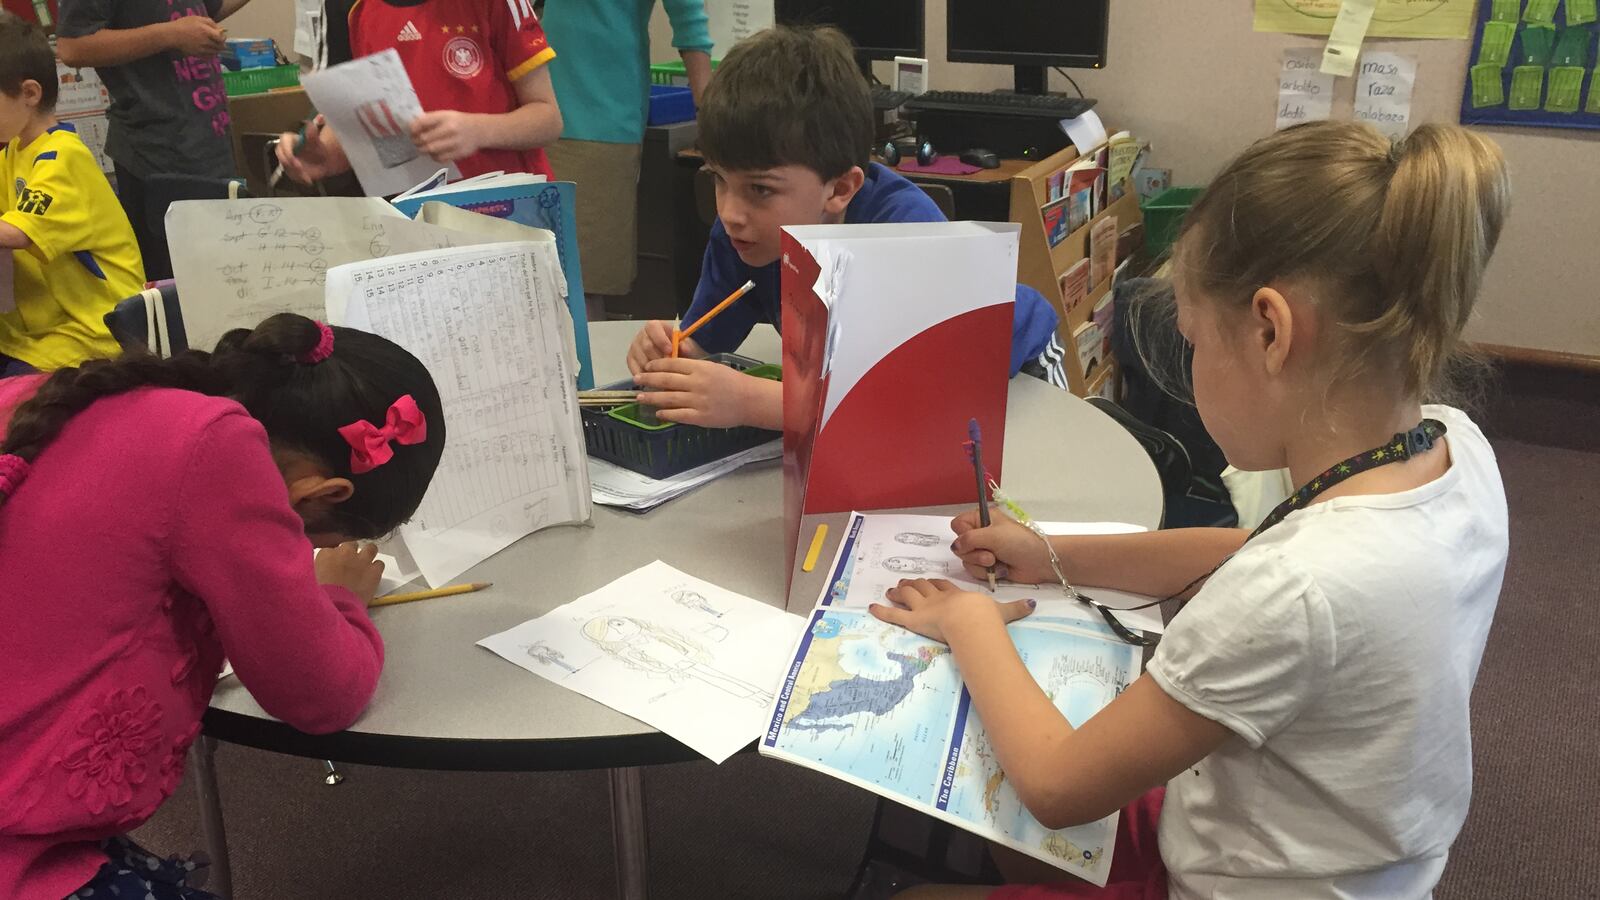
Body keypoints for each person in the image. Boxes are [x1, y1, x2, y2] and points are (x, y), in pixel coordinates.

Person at [879, 121, 1511, 900]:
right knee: (1012, 804)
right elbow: (1251, 550)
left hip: (1231, 882)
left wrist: (970, 625)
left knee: (973, 812)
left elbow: (1057, 783)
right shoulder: (1454, 448)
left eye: (1194, 341)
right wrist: (1050, 554)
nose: (1191, 367)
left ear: (1271, 332)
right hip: (1343, 855)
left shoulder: (1295, 592)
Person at [0, 314, 447, 899]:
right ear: (320, 495)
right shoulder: (216, 445)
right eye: (313, 539)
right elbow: (320, 694)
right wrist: (339, 598)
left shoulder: (46, 395)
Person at [625, 26, 1064, 430]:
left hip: (1011, 369)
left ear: (840, 188)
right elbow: (703, 347)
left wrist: (750, 401)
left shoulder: (907, 236)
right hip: (885, 393)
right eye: (719, 179)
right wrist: (673, 356)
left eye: (759, 189)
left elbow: (912, 402)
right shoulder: (745, 234)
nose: (730, 212)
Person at [56, 0, 253, 281]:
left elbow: (204, 8)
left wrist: (185, 30)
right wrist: (171, 34)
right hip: (157, 159)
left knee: (228, 283)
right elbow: (73, 46)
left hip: (209, 145)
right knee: (179, 295)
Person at [276, 0, 563, 187]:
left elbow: (548, 118)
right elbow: (366, 123)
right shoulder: (353, 9)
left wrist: (477, 131)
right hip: (416, 215)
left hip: (511, 206)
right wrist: (325, 155)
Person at [0, 12, 144, 377]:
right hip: (41, 326)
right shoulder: (14, 150)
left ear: (30, 93)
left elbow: (17, 233)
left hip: (95, 329)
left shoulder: (62, 157)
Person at [542, 0, 713, 299]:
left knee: (579, 285)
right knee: (537, 280)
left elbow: (688, 16)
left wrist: (710, 116)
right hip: (526, 115)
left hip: (592, 120)